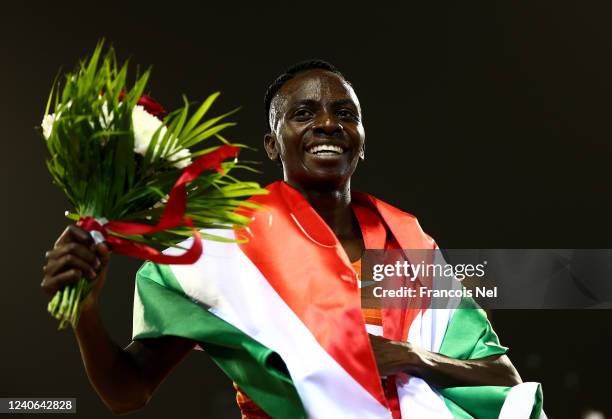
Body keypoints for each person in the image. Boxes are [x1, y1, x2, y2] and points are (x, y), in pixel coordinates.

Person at [41, 61, 543, 418]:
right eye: (303, 114)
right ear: (272, 142)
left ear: (361, 139)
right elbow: (126, 393)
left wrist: (409, 358)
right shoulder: (229, 248)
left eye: (345, 113)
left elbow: (501, 377)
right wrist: (85, 312)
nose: (328, 123)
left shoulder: (406, 246)